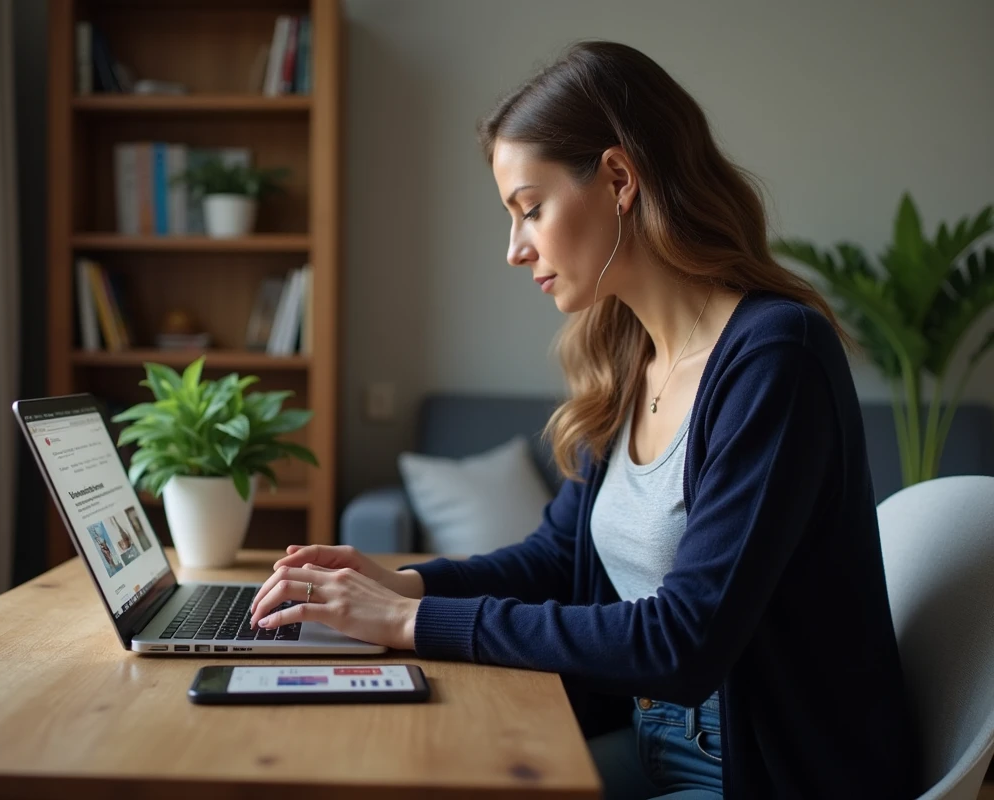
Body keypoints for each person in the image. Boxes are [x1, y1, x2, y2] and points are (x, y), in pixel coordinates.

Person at [248, 41, 920, 799]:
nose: (515, 248)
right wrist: (401, 584)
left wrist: (409, 624)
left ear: (619, 179)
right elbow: (555, 560)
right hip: (654, 736)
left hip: (760, 772)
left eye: (530, 208)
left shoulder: (777, 358)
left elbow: (683, 640)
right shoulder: (630, 355)